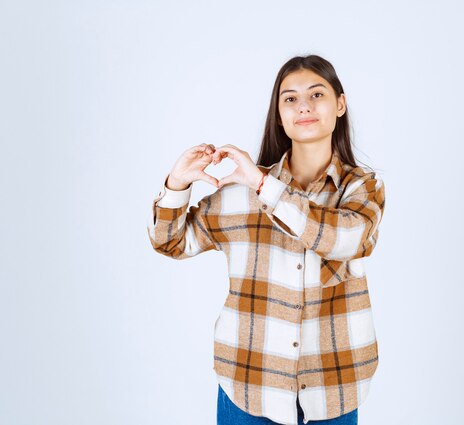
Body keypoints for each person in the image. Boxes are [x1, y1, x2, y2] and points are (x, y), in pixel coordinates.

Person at [147, 54, 385, 425]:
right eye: (289, 98)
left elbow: (344, 239)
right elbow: (170, 242)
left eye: (316, 94)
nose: (303, 106)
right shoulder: (240, 193)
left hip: (334, 388)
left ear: (340, 104)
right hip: (248, 386)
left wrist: (263, 185)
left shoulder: (362, 188)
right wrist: (177, 184)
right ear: (279, 115)